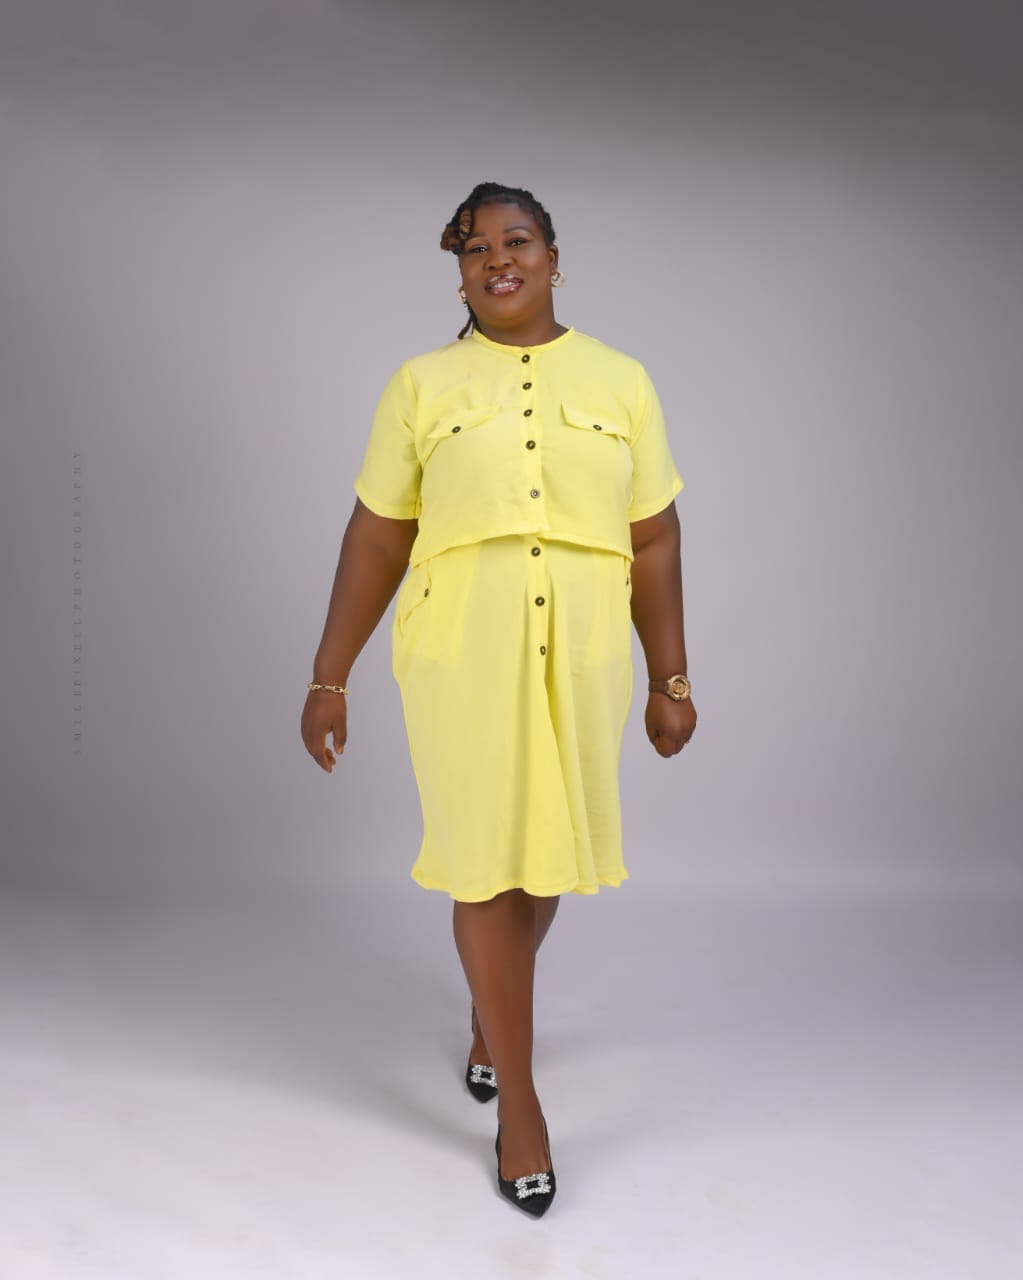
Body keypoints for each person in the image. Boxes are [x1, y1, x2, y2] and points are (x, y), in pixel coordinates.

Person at [301, 182, 696, 1217]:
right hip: (459, 650)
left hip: (585, 653)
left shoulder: (621, 379)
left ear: (555, 256)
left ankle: (491, 1015)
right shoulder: (420, 384)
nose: (497, 261)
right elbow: (377, 535)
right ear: (460, 272)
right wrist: (329, 674)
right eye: (475, 249)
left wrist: (671, 678)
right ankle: (519, 1104)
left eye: (516, 241)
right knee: (485, 859)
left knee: (546, 853)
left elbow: (654, 538)